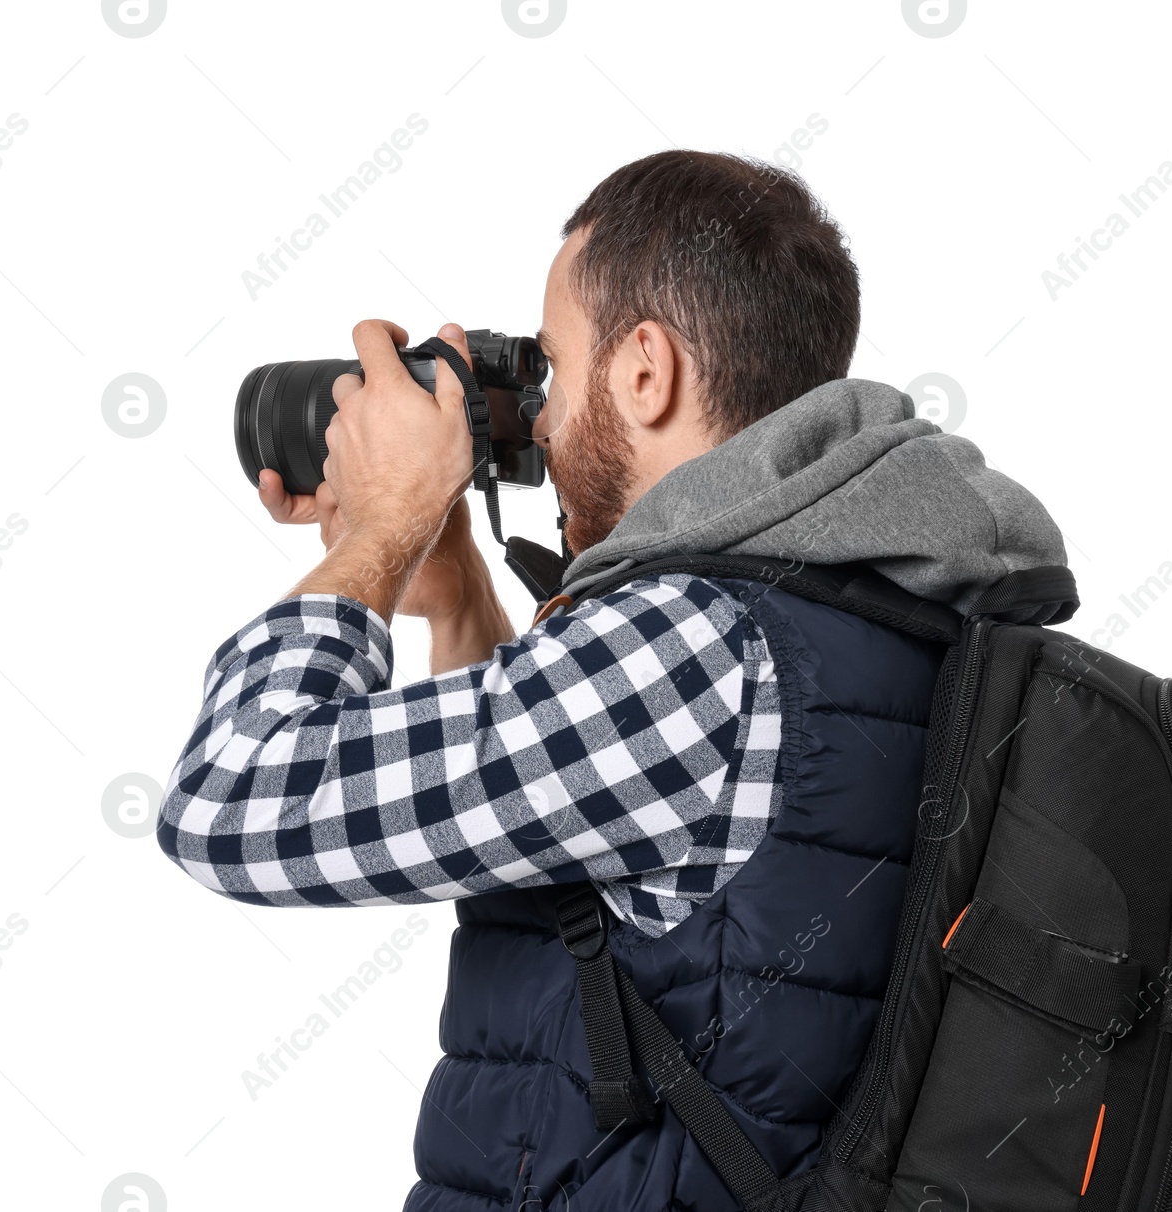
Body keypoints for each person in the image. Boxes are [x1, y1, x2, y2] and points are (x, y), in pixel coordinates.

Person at [157, 149, 1067, 1210]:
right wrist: (450, 590)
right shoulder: (884, 600)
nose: (536, 416)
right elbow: (544, 833)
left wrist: (390, 522)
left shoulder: (695, 640)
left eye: (553, 362)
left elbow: (230, 798)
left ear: (645, 369)